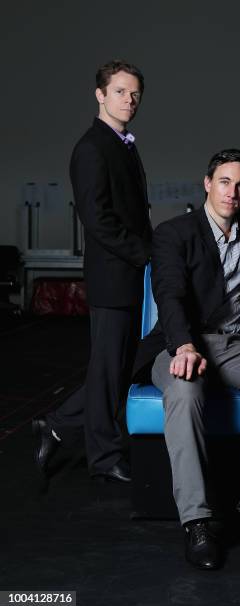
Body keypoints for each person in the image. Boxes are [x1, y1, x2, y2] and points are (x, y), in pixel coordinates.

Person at [132, 149, 240, 570]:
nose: (233, 192)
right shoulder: (174, 233)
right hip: (178, 344)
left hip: (234, 345)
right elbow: (170, 292)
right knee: (184, 388)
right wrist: (184, 347)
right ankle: (197, 522)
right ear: (208, 183)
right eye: (225, 182)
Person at [33, 60, 152, 483]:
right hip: (113, 275)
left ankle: (60, 422)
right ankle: (103, 457)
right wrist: (147, 253)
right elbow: (98, 221)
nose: (129, 100)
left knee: (120, 368)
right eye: (120, 91)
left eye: (135, 93)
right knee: (108, 368)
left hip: (131, 274)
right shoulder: (91, 147)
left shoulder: (123, 144)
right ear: (100, 95)